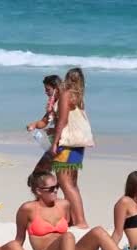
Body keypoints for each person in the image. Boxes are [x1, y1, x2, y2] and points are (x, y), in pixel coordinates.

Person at [16, 171, 136, 250]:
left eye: (57, 187)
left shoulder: (64, 205)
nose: (56, 191)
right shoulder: (27, 209)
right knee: (68, 236)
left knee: (98, 231)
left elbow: (67, 226)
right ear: (38, 191)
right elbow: (19, 239)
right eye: (51, 189)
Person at [49, 68, 90, 228]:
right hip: (78, 144)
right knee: (72, 183)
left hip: (66, 143)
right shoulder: (78, 98)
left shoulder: (66, 96)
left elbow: (63, 121)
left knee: (65, 183)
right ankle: (75, 219)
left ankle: (80, 221)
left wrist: (54, 141)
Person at [26, 75, 62, 173]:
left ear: (57, 88)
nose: (45, 92)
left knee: (39, 173)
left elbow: (68, 125)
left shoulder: (63, 104)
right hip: (54, 145)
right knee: (40, 174)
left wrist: (53, 130)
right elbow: (43, 122)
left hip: (63, 145)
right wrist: (33, 125)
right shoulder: (53, 103)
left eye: (48, 89)